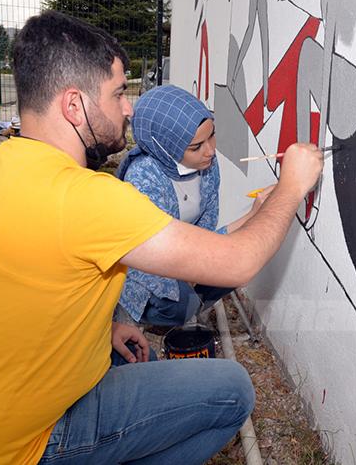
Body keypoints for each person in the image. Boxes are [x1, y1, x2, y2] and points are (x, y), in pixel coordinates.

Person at [0, 10, 323, 464]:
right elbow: (237, 262)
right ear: (74, 106)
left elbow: (18, 294)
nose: (128, 108)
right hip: (19, 448)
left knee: (142, 365)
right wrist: (291, 186)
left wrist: (106, 328)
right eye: (117, 93)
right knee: (233, 391)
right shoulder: (86, 198)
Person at [115, 85, 274, 329]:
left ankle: (190, 304)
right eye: (196, 146)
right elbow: (163, 258)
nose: (210, 150)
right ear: (165, 146)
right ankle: (155, 315)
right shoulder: (144, 179)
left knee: (235, 265)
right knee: (181, 303)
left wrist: (255, 214)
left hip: (182, 256)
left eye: (212, 135)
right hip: (149, 270)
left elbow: (204, 236)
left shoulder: (207, 165)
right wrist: (252, 216)